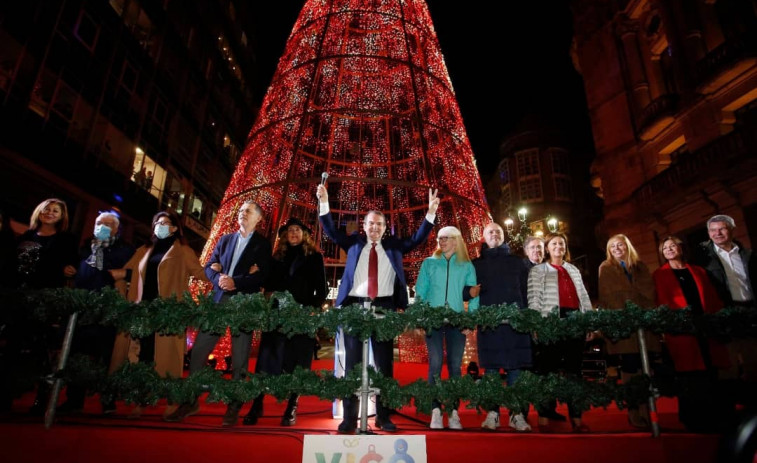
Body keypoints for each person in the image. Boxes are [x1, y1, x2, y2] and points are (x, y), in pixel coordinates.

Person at [316, 183, 439, 433]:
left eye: (379, 224)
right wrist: (325, 202)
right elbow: (328, 229)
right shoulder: (351, 244)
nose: (374, 228)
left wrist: (430, 213)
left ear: (385, 228)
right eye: (370, 223)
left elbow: (416, 239)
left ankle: (384, 416)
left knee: (385, 365)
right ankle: (350, 418)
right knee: (352, 366)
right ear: (364, 226)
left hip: (384, 307)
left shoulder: (394, 246)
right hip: (354, 308)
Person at [165, 201, 271, 426]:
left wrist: (237, 281)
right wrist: (220, 279)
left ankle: (234, 405)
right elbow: (209, 266)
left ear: (259, 219)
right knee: (199, 351)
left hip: (244, 304)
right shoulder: (225, 240)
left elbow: (263, 275)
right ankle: (191, 400)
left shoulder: (262, 245)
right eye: (241, 210)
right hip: (218, 301)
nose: (242, 214)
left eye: (248, 211)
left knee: (240, 358)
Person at [111, 210, 207, 416]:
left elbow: (200, 274)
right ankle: (141, 399)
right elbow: (127, 272)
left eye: (165, 223)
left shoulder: (183, 250)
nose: (160, 226)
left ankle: (171, 402)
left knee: (168, 359)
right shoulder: (144, 249)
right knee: (143, 355)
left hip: (168, 313)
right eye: (157, 223)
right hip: (143, 310)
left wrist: (219, 274)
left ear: (174, 228)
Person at [242, 217, 328, 426]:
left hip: (301, 316)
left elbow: (322, 289)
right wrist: (258, 274)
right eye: (290, 230)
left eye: (298, 230)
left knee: (298, 362)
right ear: (285, 236)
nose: (294, 233)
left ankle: (292, 406)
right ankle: (257, 403)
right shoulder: (277, 257)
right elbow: (269, 283)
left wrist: (311, 310)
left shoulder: (314, 257)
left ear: (305, 234)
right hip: (278, 315)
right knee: (267, 359)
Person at [58, 211, 135, 415]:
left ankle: (107, 400)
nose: (103, 227)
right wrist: (69, 269)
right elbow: (74, 266)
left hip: (109, 310)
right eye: (99, 223)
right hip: (83, 307)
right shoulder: (85, 247)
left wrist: (124, 273)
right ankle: (74, 399)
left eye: (109, 224)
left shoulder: (125, 250)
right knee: (78, 355)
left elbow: (137, 272)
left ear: (117, 229)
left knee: (107, 356)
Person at [653, 235, 732, 432]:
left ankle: (716, 414)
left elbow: (712, 298)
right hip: (681, 330)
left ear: (681, 248)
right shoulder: (659, 275)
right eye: (665, 248)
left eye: (673, 246)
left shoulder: (698, 271)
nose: (669, 250)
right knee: (689, 374)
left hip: (705, 326)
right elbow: (659, 303)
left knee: (711, 370)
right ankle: (692, 417)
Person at [16, 198, 79, 414]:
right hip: (21, 296)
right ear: (39, 212)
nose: (50, 213)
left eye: (56, 211)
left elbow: (72, 265)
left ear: (62, 216)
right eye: (47, 209)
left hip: (48, 298)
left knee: (43, 349)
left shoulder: (66, 239)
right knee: (15, 346)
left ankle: (41, 396)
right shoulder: (27, 236)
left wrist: (69, 269)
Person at [527, 232, 593, 433]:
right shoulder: (538, 270)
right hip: (551, 321)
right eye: (554, 243)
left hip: (574, 320)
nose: (558, 246)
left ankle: (577, 417)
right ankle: (545, 415)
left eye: (561, 243)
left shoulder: (573, 269)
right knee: (547, 370)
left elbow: (583, 295)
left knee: (574, 371)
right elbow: (534, 298)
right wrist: (536, 324)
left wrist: (588, 322)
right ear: (547, 248)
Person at [415, 225, 479, 430]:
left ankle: (453, 412)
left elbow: (473, 295)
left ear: (456, 240)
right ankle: (435, 411)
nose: (441, 241)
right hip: (432, 320)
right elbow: (420, 292)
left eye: (446, 238)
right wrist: (419, 319)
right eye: (439, 238)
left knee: (454, 365)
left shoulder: (467, 265)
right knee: (435, 362)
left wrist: (471, 321)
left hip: (457, 321)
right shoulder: (428, 263)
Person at [473, 223, 532, 431]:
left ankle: (517, 414)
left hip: (515, 325)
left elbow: (526, 292)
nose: (495, 234)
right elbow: (470, 293)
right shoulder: (476, 265)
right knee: (490, 370)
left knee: (515, 368)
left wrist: (527, 318)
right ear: (484, 237)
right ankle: (493, 413)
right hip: (489, 325)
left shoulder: (518, 263)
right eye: (490, 232)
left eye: (498, 231)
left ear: (503, 236)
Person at [597, 234, 661, 428]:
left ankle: (648, 410)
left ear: (627, 246)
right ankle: (634, 412)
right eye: (613, 246)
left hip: (644, 323)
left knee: (646, 367)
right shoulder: (606, 268)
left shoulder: (640, 266)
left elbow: (649, 291)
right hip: (624, 325)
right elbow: (607, 296)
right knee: (630, 367)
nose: (617, 248)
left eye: (620, 245)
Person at [694, 214, 756, 415]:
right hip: (723, 314)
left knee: (753, 363)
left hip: (749, 311)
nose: (717, 233)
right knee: (727, 365)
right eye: (713, 230)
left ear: (731, 230)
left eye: (722, 229)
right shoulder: (703, 257)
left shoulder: (747, 254)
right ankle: (729, 412)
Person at [523, 235, 566, 423]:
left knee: (550, 368)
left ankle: (547, 410)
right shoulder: (521, 270)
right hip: (529, 327)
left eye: (540, 248)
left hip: (550, 325)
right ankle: (524, 412)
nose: (537, 251)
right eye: (533, 248)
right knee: (530, 370)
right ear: (526, 251)